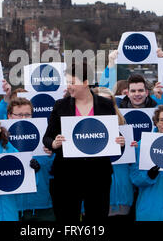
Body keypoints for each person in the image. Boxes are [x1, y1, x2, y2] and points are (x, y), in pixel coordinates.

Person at [42, 60, 124, 222]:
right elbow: (47, 137)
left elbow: (113, 135)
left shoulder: (106, 105)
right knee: (67, 218)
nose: (68, 86)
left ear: (86, 82)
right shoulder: (60, 106)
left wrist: (120, 142)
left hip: (98, 175)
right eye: (67, 82)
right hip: (67, 175)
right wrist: (54, 143)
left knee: (97, 217)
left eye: (72, 82)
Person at [7, 97, 56, 221]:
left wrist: (48, 157)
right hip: (13, 206)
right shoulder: (1, 139)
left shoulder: (43, 135)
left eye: (27, 115)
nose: (24, 118)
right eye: (19, 115)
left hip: (41, 204)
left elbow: (54, 169)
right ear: (9, 116)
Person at [93, 87, 135, 222]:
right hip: (95, 199)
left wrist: (132, 147)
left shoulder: (123, 125)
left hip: (122, 196)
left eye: (108, 101)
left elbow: (132, 163)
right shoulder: (82, 127)